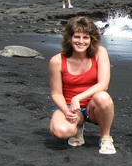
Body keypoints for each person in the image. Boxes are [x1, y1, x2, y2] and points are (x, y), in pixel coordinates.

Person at [49, 16, 116, 154]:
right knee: (60, 132)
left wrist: (77, 98)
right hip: (69, 107)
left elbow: (103, 84)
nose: (81, 41)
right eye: (77, 37)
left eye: (86, 37)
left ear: (92, 39)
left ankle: (105, 137)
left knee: (103, 97)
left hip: (93, 106)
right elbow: (56, 93)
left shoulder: (100, 52)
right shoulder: (57, 61)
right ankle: (77, 125)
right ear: (69, 38)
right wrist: (67, 112)